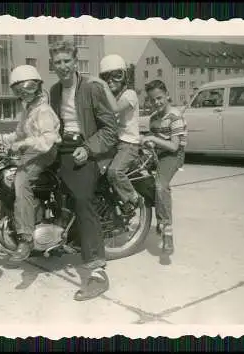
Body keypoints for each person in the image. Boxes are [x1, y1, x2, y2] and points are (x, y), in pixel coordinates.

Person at [48, 40, 118, 301]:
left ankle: (97, 271)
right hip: (61, 147)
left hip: (87, 149)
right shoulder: (54, 91)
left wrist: (88, 149)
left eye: (67, 61)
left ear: (75, 62)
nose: (63, 66)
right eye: (58, 62)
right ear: (52, 65)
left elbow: (111, 130)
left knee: (81, 199)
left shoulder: (90, 88)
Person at [0, 65, 62, 262]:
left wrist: (23, 145)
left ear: (38, 86)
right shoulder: (28, 109)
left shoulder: (43, 110)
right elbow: (19, 134)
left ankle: (26, 239)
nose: (24, 93)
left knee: (21, 181)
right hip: (32, 151)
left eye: (29, 87)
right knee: (4, 178)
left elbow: (47, 139)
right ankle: (11, 227)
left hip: (45, 152)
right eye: (18, 90)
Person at [90, 54, 143, 216]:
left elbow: (115, 109)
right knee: (96, 173)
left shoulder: (130, 94)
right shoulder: (110, 97)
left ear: (124, 77)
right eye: (106, 77)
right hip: (114, 143)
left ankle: (134, 198)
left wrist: (102, 86)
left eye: (116, 76)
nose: (111, 80)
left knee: (115, 172)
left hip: (129, 144)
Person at [140, 80, 188, 255]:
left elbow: (174, 146)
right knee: (135, 172)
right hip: (159, 153)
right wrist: (147, 145)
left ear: (167, 95)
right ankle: (152, 208)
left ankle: (167, 230)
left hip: (174, 156)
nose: (157, 103)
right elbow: (155, 142)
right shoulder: (153, 119)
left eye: (159, 98)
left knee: (161, 185)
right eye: (153, 100)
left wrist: (152, 140)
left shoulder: (175, 116)